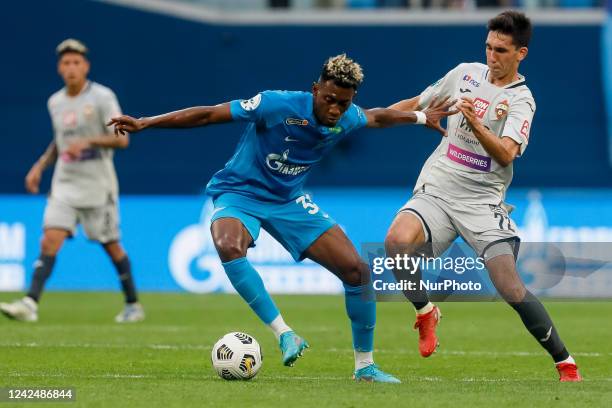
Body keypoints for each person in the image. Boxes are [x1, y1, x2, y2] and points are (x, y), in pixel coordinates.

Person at [108, 54, 456, 382]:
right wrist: (147, 122)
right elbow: (209, 114)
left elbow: (378, 117)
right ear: (315, 89)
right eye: (330, 99)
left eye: (344, 103)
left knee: (358, 272)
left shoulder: (347, 117)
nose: (336, 109)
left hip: (289, 201)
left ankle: (365, 367)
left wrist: (422, 117)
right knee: (229, 245)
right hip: (240, 193)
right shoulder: (276, 104)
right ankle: (284, 334)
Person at [385, 10, 581, 381]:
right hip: (439, 188)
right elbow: (419, 102)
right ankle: (426, 311)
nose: (493, 56)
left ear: (520, 53)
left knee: (509, 286)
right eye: (489, 47)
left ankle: (565, 362)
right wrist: (368, 118)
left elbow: (507, 153)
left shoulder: (522, 100)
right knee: (396, 242)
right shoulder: (464, 74)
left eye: (502, 50)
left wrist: (474, 121)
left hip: (482, 202)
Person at [0, 39, 144, 324]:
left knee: (111, 245)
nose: (71, 68)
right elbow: (60, 142)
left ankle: (132, 304)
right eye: (66, 63)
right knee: (49, 240)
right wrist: (39, 166)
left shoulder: (102, 97)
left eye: (76, 62)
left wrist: (88, 140)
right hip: (64, 184)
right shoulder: (55, 102)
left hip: (97, 186)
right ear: (59, 68)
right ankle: (30, 303)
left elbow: (124, 139)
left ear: (86, 66)